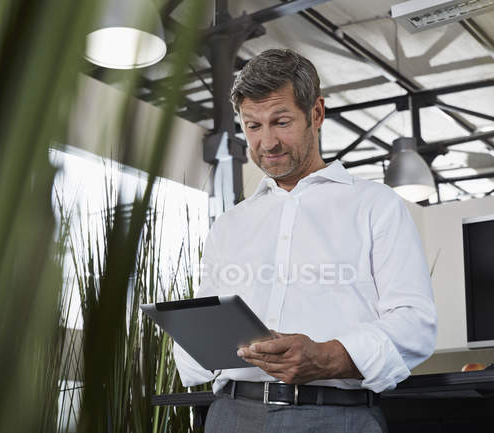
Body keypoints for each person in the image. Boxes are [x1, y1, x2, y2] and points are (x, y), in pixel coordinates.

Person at [173, 48, 438, 433]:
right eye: (253, 126)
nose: (267, 142)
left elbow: (416, 324)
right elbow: (203, 336)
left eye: (281, 122)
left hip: (337, 417)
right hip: (230, 416)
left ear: (316, 113)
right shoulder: (229, 225)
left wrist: (328, 356)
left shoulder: (375, 206)